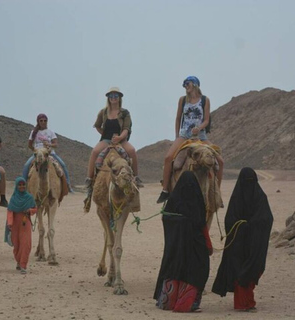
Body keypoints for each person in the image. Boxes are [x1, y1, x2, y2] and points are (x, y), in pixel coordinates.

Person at [212, 167, 273, 313]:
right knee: (239, 269)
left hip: (254, 242)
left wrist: (251, 225)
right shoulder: (237, 199)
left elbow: (266, 218)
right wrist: (242, 227)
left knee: (252, 268)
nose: (248, 185)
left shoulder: (260, 198)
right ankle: (243, 303)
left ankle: (247, 302)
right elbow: (230, 220)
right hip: (238, 242)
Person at [157, 76, 224, 204]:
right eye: (184, 84)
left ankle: (216, 193)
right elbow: (178, 118)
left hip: (201, 136)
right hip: (184, 135)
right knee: (168, 158)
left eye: (187, 83)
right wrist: (177, 135)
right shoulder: (182, 100)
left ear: (194, 84)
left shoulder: (204, 100)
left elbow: (206, 120)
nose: (185, 86)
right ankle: (165, 190)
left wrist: (199, 128)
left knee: (220, 161)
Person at [153, 171, 213, 312]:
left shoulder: (172, 203)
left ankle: (167, 301)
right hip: (193, 247)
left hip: (174, 249)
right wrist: (207, 245)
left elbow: (166, 220)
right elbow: (201, 224)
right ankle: (188, 303)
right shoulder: (197, 204)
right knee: (199, 267)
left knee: (172, 266)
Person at [84, 87, 143, 204]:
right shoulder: (103, 112)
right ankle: (89, 179)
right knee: (95, 152)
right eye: (111, 96)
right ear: (108, 98)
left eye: (115, 96)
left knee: (132, 151)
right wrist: (105, 134)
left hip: (121, 140)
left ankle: (136, 177)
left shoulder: (125, 113)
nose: (113, 98)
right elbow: (97, 125)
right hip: (107, 140)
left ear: (119, 97)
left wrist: (120, 138)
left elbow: (126, 128)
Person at [22, 113, 74, 192]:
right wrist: (36, 151)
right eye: (41, 121)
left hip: (50, 153)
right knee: (26, 165)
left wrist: (49, 144)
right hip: (38, 153)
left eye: (45, 121)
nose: (43, 122)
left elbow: (56, 144)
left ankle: (67, 185)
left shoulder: (50, 132)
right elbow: (29, 144)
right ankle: (23, 186)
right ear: (38, 121)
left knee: (62, 164)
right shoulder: (34, 132)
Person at [7, 177, 37, 275]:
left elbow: (35, 209)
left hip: (25, 223)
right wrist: (10, 223)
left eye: (23, 185)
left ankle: (23, 265)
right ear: (16, 186)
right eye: (19, 185)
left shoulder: (29, 197)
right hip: (15, 224)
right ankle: (18, 261)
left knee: (26, 244)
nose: (21, 187)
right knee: (17, 245)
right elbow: (10, 211)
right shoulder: (13, 198)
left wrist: (30, 211)